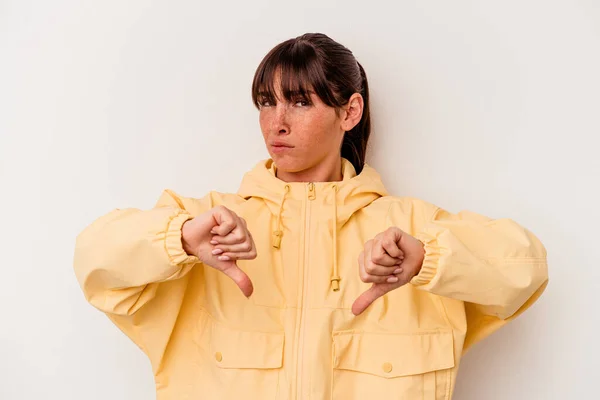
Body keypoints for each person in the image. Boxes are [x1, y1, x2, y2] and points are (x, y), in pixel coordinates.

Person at [73, 33, 549, 400]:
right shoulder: (210, 228)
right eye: (266, 102)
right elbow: (93, 257)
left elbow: (526, 268)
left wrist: (426, 258)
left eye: (300, 102)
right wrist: (177, 239)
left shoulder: (405, 234)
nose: (276, 122)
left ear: (350, 111)